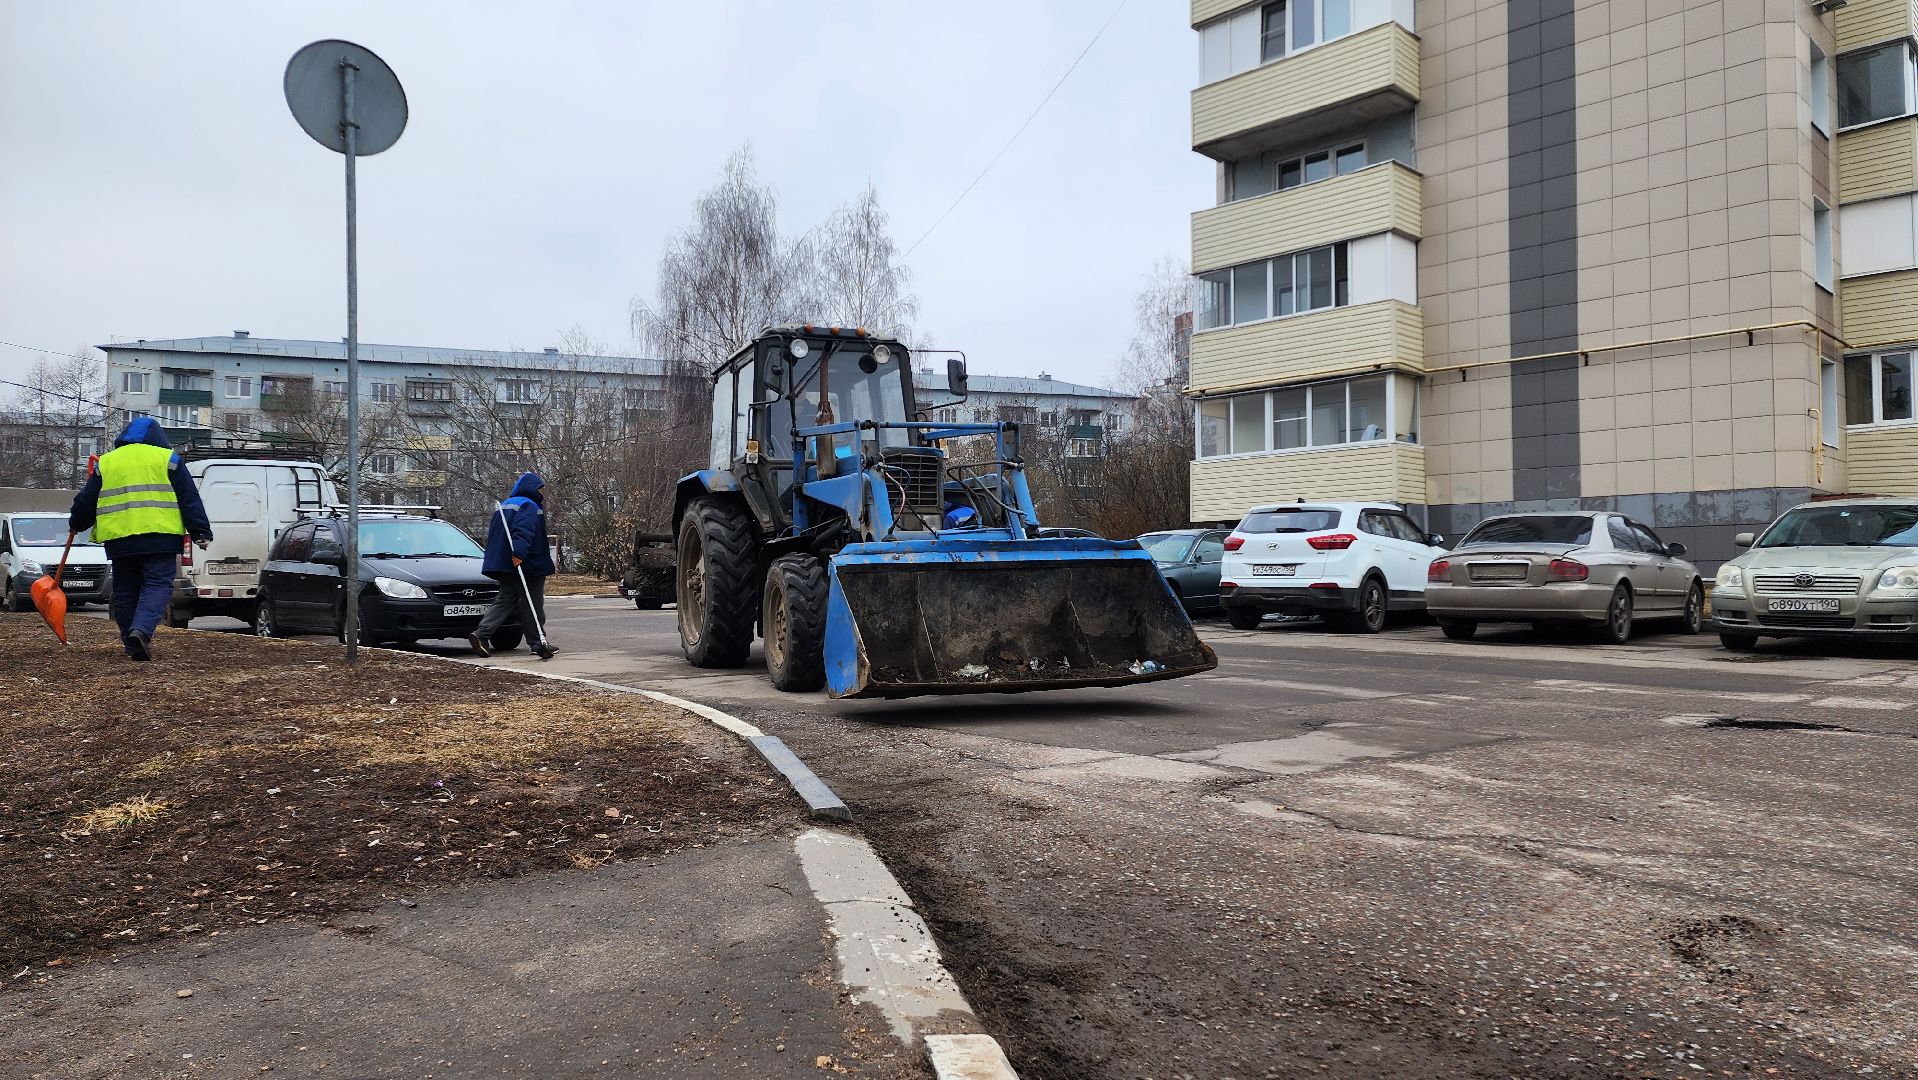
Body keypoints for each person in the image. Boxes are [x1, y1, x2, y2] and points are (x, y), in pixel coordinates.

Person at [68, 416, 213, 661]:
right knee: (157, 585)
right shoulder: (168, 460)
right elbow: (189, 498)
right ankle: (141, 631)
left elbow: (87, 499)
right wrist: (200, 531)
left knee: (125, 591)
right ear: (158, 437)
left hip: (120, 539)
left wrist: (77, 522)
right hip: (160, 537)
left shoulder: (107, 462)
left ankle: (130, 641)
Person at [471, 472, 557, 660]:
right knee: (532, 604)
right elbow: (523, 531)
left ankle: (481, 634)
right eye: (539, 489)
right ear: (531, 489)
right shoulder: (529, 505)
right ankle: (538, 642)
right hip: (527, 564)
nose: (541, 492)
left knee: (505, 599)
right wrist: (519, 554)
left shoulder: (505, 505)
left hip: (505, 564)